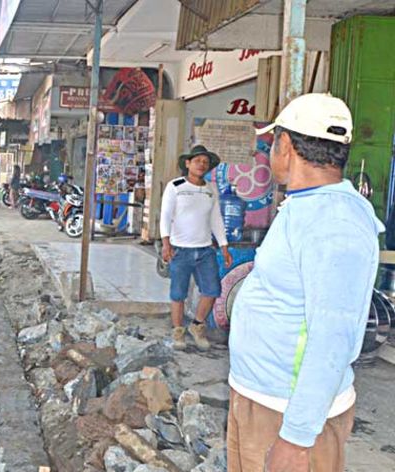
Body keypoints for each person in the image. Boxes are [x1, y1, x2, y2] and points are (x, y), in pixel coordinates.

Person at [226, 94, 382, 472]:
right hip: (262, 399)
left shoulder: (334, 222)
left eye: (272, 142)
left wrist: (296, 438)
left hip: (287, 413)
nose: (269, 153)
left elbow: (333, 336)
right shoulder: (308, 205)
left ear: (287, 146)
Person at [159, 144, 232, 351]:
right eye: (198, 160)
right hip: (180, 250)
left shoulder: (210, 189)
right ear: (188, 163)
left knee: (211, 290)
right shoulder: (175, 186)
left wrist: (224, 246)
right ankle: (178, 332)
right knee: (178, 294)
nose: (202, 164)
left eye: (206, 162)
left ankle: (198, 326)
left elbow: (216, 218)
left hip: (205, 250)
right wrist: (166, 243)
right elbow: (165, 216)